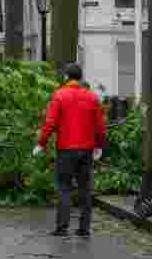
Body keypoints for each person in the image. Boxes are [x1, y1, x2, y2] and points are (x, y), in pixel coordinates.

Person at [34, 62, 107, 237]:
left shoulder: (60, 96)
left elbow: (50, 123)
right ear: (80, 78)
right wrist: (99, 146)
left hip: (66, 149)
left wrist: (41, 143)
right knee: (85, 188)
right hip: (87, 149)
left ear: (66, 77)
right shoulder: (92, 97)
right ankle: (84, 228)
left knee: (64, 187)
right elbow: (100, 126)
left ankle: (62, 227)